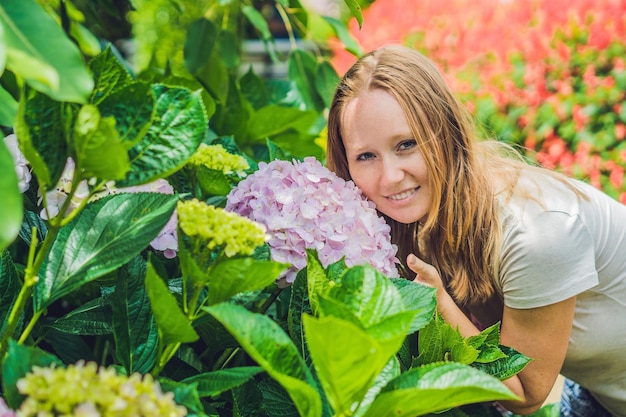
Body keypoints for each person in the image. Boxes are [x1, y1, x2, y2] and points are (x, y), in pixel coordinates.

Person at [326, 44, 626, 416]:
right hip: (595, 388)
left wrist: (437, 305)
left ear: (445, 135)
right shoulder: (418, 211)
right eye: (366, 156)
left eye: (406, 145)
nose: (388, 177)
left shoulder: (536, 233)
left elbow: (525, 395)